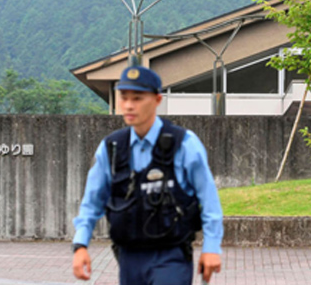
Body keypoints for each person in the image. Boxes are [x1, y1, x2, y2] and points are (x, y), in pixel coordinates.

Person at [72, 66, 223, 284]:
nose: (129, 105)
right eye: (124, 98)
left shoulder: (184, 144)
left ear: (157, 99)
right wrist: (80, 245)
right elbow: (92, 202)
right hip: (128, 257)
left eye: (138, 98)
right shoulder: (111, 148)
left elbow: (209, 200)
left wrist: (211, 248)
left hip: (171, 255)